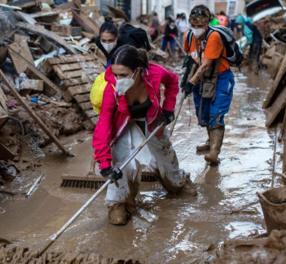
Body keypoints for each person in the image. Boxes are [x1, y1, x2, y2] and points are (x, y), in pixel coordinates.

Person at [92, 45, 196, 226]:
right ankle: (119, 203)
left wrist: (168, 108)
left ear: (138, 70)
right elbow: (104, 124)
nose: (118, 79)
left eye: (123, 75)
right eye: (115, 74)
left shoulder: (155, 73)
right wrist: (104, 162)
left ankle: (177, 181)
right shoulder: (111, 89)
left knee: (165, 158)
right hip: (123, 125)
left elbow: (172, 81)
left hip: (151, 121)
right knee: (122, 162)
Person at [183, 5, 235, 166]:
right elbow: (191, 59)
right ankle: (210, 140)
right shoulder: (189, 37)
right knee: (204, 114)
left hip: (221, 78)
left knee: (216, 115)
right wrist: (186, 79)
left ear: (207, 24)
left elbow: (206, 64)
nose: (197, 29)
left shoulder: (214, 37)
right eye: (194, 26)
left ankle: (214, 152)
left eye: (200, 26)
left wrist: (191, 82)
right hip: (202, 78)